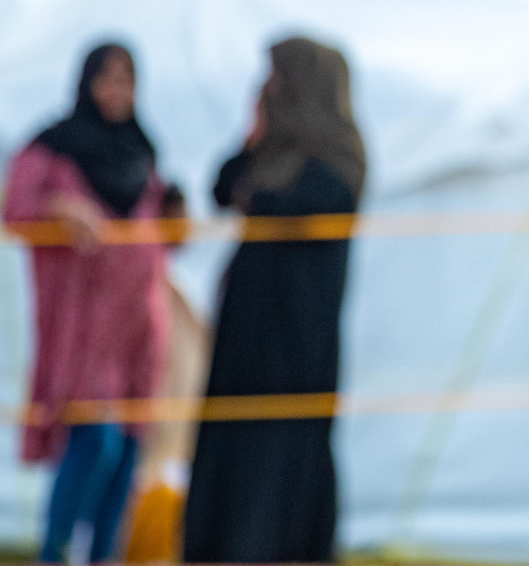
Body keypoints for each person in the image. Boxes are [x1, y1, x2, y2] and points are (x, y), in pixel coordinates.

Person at [181, 37, 366, 564]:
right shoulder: (271, 153)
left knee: (284, 444)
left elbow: (299, 202)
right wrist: (253, 138)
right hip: (247, 330)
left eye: (277, 78)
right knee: (234, 440)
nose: (266, 89)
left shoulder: (337, 156)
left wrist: (257, 196)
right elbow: (223, 188)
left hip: (297, 337)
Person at [3, 43, 174, 563]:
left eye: (127, 79)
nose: (117, 91)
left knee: (125, 450)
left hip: (136, 327)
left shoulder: (142, 151)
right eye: (107, 78)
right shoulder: (52, 149)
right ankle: (54, 553)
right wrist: (58, 207)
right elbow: (16, 207)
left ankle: (105, 556)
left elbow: (162, 231)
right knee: (92, 439)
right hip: (80, 328)